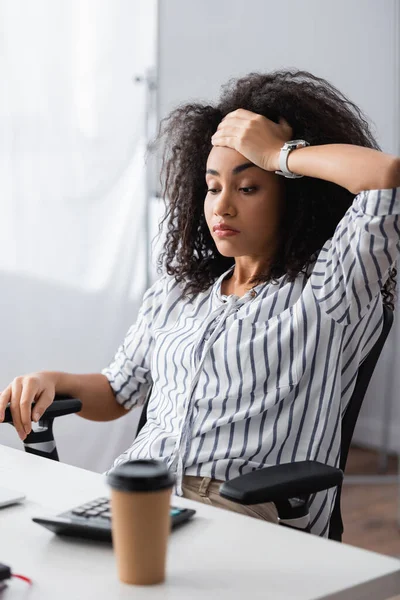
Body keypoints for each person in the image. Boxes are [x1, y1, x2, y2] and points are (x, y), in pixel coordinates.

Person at [1, 69, 399, 537]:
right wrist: (50, 380)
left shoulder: (331, 289)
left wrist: (277, 153)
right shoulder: (181, 291)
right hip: (136, 492)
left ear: (294, 195)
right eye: (213, 187)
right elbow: (116, 391)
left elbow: (385, 178)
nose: (222, 207)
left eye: (247, 187)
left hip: (240, 508)